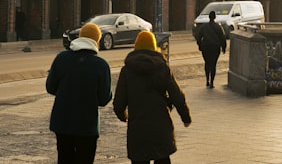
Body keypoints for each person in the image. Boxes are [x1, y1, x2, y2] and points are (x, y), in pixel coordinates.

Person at [114, 30, 192, 164]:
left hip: (138, 127)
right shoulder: (162, 67)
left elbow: (119, 102)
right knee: (162, 158)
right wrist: (185, 117)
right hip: (161, 126)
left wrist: (123, 116)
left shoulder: (127, 70)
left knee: (139, 159)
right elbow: (177, 95)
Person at [46, 22, 113, 164]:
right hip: (87, 125)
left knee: (64, 158)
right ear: (97, 40)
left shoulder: (61, 58)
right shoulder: (101, 65)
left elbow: (50, 87)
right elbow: (103, 99)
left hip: (62, 123)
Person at [196, 10, 227, 88]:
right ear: (215, 17)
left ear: (209, 17)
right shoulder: (218, 27)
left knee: (207, 63)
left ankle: (207, 80)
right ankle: (212, 82)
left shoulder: (204, 26)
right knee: (213, 64)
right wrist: (223, 48)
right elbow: (222, 38)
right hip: (215, 47)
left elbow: (199, 37)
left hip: (205, 47)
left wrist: (200, 45)